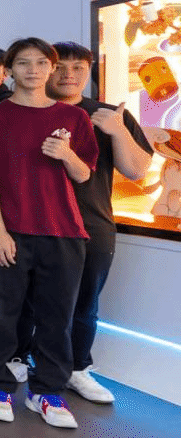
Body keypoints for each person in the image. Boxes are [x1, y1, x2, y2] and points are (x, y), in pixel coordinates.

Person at [0, 38, 98, 429]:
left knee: (56, 318)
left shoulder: (73, 117)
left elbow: (84, 174)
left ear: (52, 68)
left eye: (41, 62)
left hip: (63, 232)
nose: (33, 70)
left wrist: (66, 154)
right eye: (23, 63)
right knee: (1, 314)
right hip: (9, 231)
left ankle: (47, 392)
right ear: (10, 70)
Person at [46, 42, 152, 404]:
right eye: (60, 66)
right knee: (27, 299)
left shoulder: (108, 114)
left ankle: (77, 368)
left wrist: (117, 130)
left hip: (91, 223)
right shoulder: (29, 110)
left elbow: (136, 170)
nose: (68, 74)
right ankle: (26, 360)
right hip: (35, 222)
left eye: (78, 67)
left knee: (84, 301)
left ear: (89, 71)